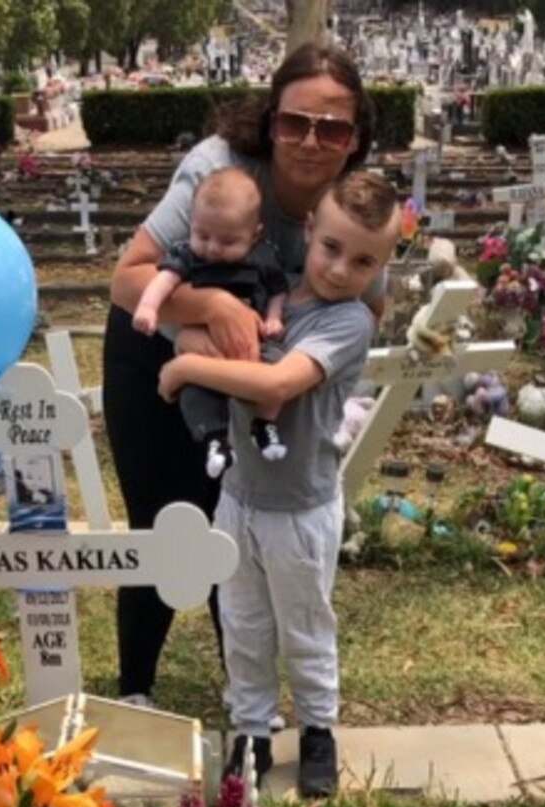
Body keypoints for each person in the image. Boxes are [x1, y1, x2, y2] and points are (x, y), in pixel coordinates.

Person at [103, 42, 382, 709]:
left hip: (250, 372)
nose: (312, 141)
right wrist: (211, 306)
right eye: (295, 122)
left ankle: (244, 686)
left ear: (356, 138)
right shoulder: (220, 170)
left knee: (237, 522)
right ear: (269, 118)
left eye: (333, 128)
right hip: (153, 349)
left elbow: (373, 291)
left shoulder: (346, 201)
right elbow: (126, 278)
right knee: (161, 518)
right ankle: (137, 685)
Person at [158, 172, 402, 797]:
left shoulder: (348, 322)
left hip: (301, 507)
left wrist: (184, 366)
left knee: (304, 624)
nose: (342, 269)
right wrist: (191, 336)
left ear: (383, 264)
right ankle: (252, 731)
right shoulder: (263, 298)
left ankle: (318, 728)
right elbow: (187, 317)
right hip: (238, 497)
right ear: (310, 233)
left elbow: (274, 386)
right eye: (331, 248)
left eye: (364, 260)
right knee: (242, 624)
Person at [133, 166, 290, 478]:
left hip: (252, 346)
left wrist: (273, 317)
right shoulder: (189, 256)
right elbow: (163, 281)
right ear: (191, 225)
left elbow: (278, 290)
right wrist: (148, 309)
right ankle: (216, 441)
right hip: (203, 346)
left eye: (228, 241)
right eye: (202, 235)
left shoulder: (262, 257)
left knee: (278, 374)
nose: (213, 248)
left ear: (255, 235)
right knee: (194, 393)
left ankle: (264, 424)